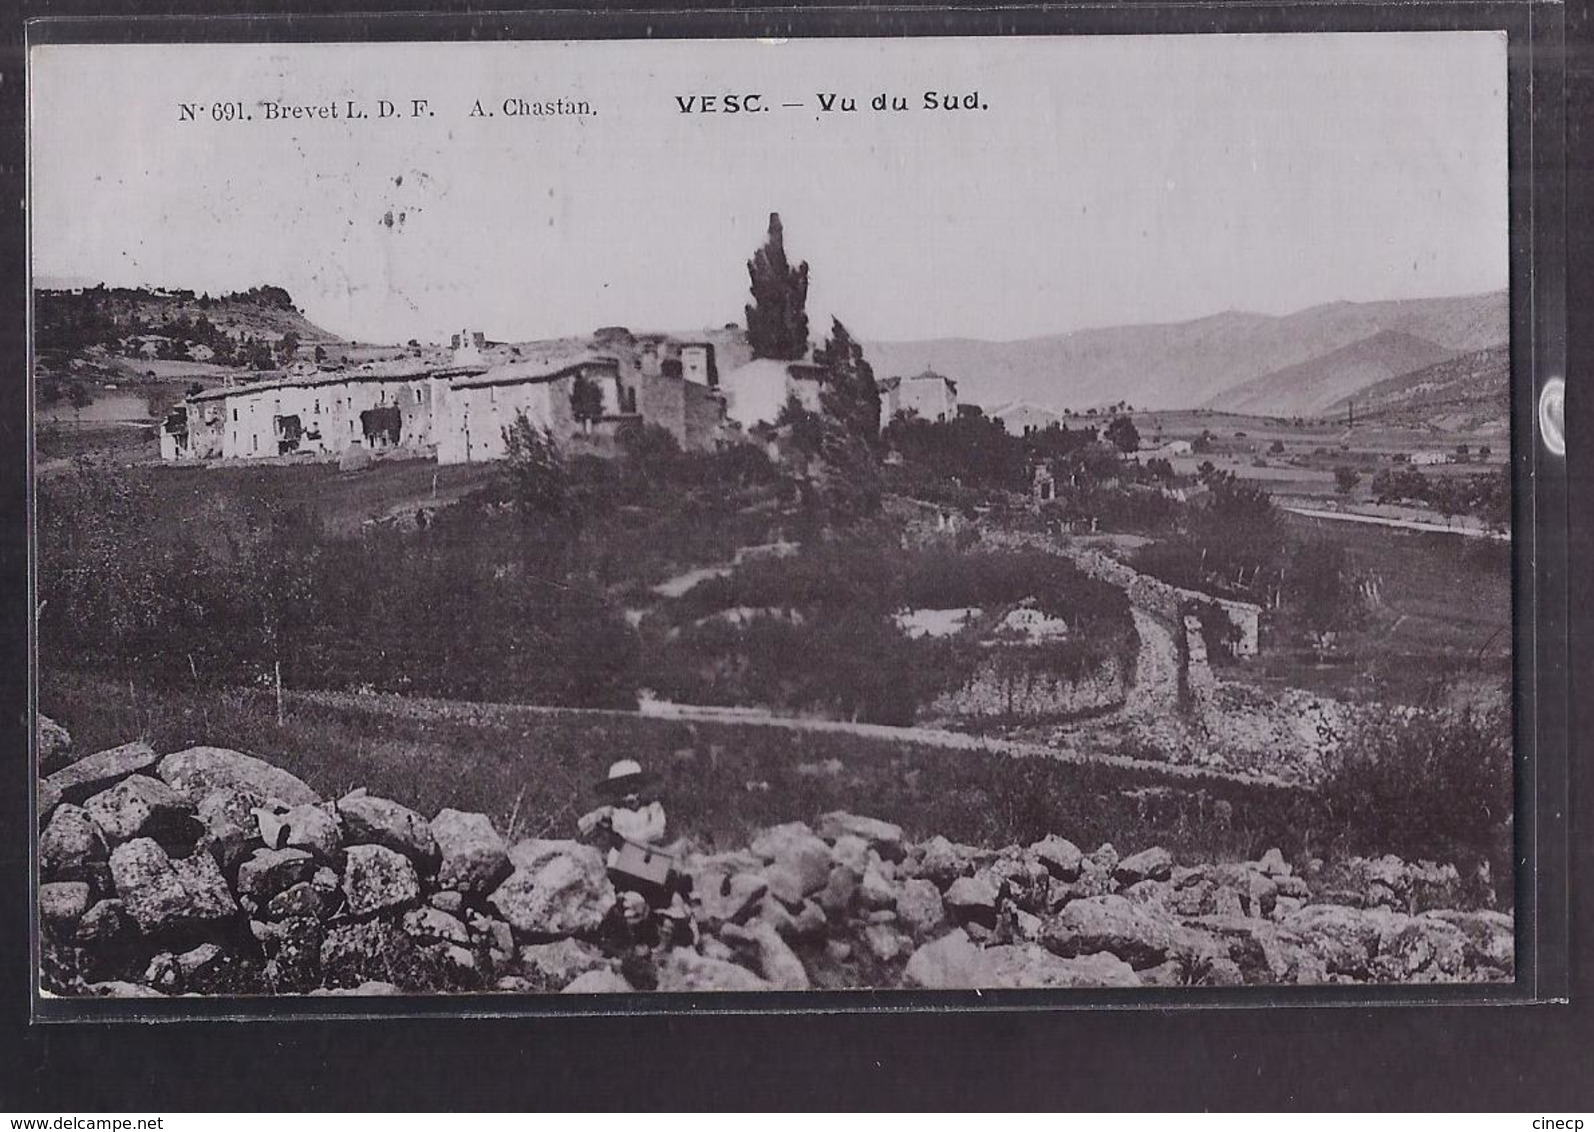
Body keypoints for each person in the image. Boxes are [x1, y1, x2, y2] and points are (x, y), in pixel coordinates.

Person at [577, 760, 694, 949]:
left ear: (641, 788)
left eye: (634, 790)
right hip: (623, 868)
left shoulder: (652, 808)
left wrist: (628, 840)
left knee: (669, 898)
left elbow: (658, 830)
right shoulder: (614, 811)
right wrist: (594, 819)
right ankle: (624, 940)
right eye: (623, 792)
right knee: (621, 900)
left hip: (649, 864)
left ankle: (668, 933)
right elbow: (596, 818)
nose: (630, 796)